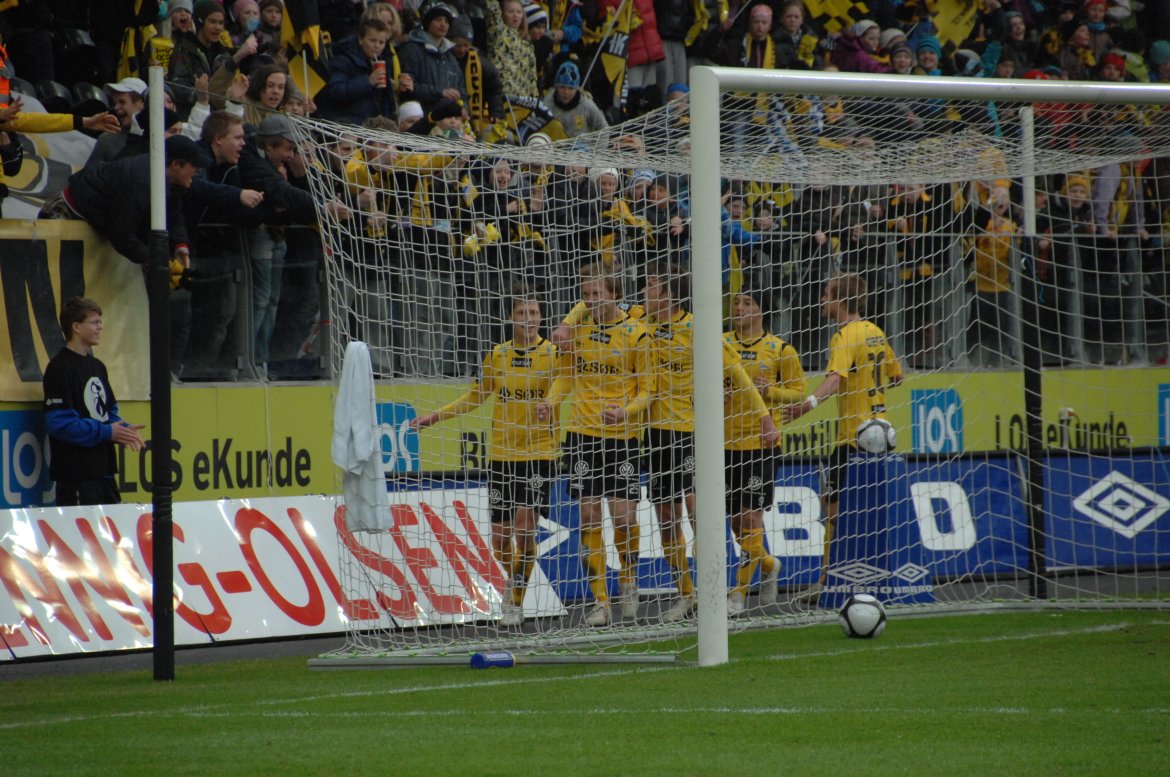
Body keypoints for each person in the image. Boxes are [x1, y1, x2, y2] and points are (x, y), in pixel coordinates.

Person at [411, 287, 562, 627]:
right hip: (502, 456)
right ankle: (516, 580)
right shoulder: (497, 355)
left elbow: (562, 387)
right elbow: (475, 397)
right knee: (499, 537)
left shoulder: (553, 354)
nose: (530, 319)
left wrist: (548, 404)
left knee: (525, 529)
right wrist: (435, 417)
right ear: (512, 318)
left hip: (539, 453)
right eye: (523, 313)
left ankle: (516, 600)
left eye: (535, 313)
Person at [641, 264, 779, 623]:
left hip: (693, 433)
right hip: (656, 433)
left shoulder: (698, 329)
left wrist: (766, 418)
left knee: (698, 512)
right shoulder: (643, 324)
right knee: (666, 517)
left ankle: (715, 589)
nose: (644, 290)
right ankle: (687, 595)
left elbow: (741, 378)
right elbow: (592, 306)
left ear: (668, 295)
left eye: (652, 284)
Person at [783, 273, 903, 606]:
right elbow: (897, 375)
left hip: (854, 438)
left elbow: (835, 380)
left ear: (840, 299)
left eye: (826, 294)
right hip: (881, 432)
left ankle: (830, 582)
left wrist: (806, 405)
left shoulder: (845, 335)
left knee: (833, 509)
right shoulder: (875, 330)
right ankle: (858, 579)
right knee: (858, 510)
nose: (823, 300)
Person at [560, 264, 652, 626]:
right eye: (586, 293)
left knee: (625, 518)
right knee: (588, 515)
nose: (591, 300)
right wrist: (552, 404)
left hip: (623, 438)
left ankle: (628, 580)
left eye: (598, 293)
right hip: (582, 436)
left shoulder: (636, 334)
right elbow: (566, 377)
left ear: (614, 295)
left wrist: (626, 411)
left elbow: (648, 390)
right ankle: (600, 599)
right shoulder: (578, 330)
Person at [723, 288, 804, 615]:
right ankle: (769, 564)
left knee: (751, 518)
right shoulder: (721, 342)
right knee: (736, 524)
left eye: (748, 303)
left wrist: (770, 390)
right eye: (737, 303)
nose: (740, 308)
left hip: (760, 444)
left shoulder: (780, 349)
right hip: (724, 444)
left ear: (761, 311)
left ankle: (737, 594)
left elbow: (799, 392)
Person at [43, 297, 145, 507]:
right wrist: (108, 432)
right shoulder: (59, 368)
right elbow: (59, 424)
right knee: (83, 539)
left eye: (100, 322)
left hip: (104, 470)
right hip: (76, 473)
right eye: (95, 322)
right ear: (76, 327)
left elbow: (109, 413)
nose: (101, 327)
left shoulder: (98, 366)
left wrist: (124, 430)